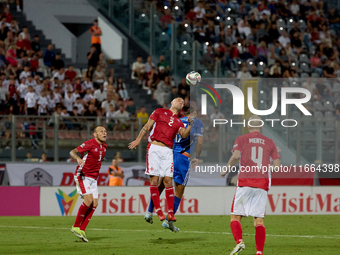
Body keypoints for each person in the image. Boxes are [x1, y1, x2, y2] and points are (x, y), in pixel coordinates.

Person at [221, 115, 280, 255]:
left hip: (245, 181)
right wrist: (263, 168)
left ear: (248, 126)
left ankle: (239, 242)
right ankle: (259, 252)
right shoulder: (270, 142)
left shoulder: (241, 139)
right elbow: (276, 167)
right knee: (259, 220)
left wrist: (226, 169)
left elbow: (235, 157)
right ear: (261, 126)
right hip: (262, 183)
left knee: (235, 217)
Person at [128, 98, 193, 223]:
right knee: (155, 180)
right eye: (179, 100)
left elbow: (184, 135)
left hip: (168, 150)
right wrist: (138, 139)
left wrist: (190, 125)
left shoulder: (179, 122)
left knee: (168, 180)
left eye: (182, 103)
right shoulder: (159, 111)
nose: (181, 102)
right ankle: (157, 210)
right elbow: (147, 126)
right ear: (172, 103)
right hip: (154, 147)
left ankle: (170, 213)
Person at [145, 105, 203, 232]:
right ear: (192, 113)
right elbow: (199, 141)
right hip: (182, 158)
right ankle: (169, 220)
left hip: (170, 154)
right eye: (196, 112)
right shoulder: (195, 122)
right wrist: (197, 157)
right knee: (179, 190)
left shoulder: (176, 120)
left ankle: (149, 211)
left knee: (162, 184)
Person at [70, 126, 107, 242]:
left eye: (105, 131)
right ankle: (75, 226)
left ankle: (82, 230)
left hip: (93, 178)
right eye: (101, 131)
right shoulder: (89, 144)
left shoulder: (104, 146)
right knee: (88, 201)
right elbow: (72, 152)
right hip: (83, 175)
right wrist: (77, 158)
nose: (104, 133)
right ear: (94, 134)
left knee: (95, 203)